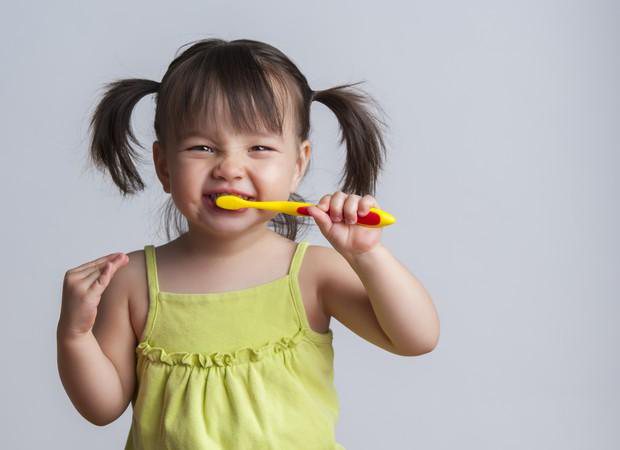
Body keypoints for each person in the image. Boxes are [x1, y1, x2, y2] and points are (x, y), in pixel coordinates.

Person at [56, 38, 440, 449]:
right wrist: (74, 336)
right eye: (202, 147)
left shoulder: (312, 274)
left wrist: (368, 255)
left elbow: (415, 338)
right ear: (165, 166)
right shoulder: (131, 281)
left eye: (259, 147)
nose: (230, 169)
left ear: (297, 165)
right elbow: (102, 408)